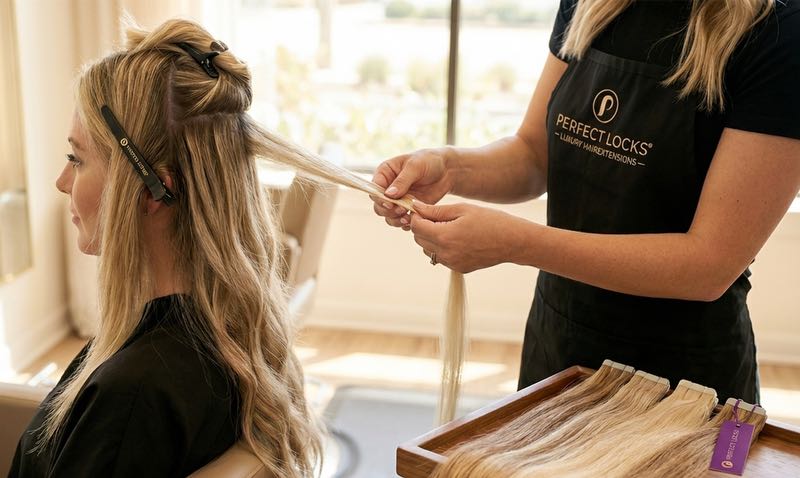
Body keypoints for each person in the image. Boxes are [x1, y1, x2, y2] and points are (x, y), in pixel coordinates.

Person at [372, 0, 800, 403]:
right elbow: (533, 154)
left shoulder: (780, 31)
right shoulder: (591, 3)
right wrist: (449, 167)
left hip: (687, 384)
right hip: (557, 348)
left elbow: (709, 265)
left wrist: (515, 243)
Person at [10, 19, 321, 477]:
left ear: (152, 191)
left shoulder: (133, 396)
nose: (61, 183)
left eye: (77, 159)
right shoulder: (231, 336)